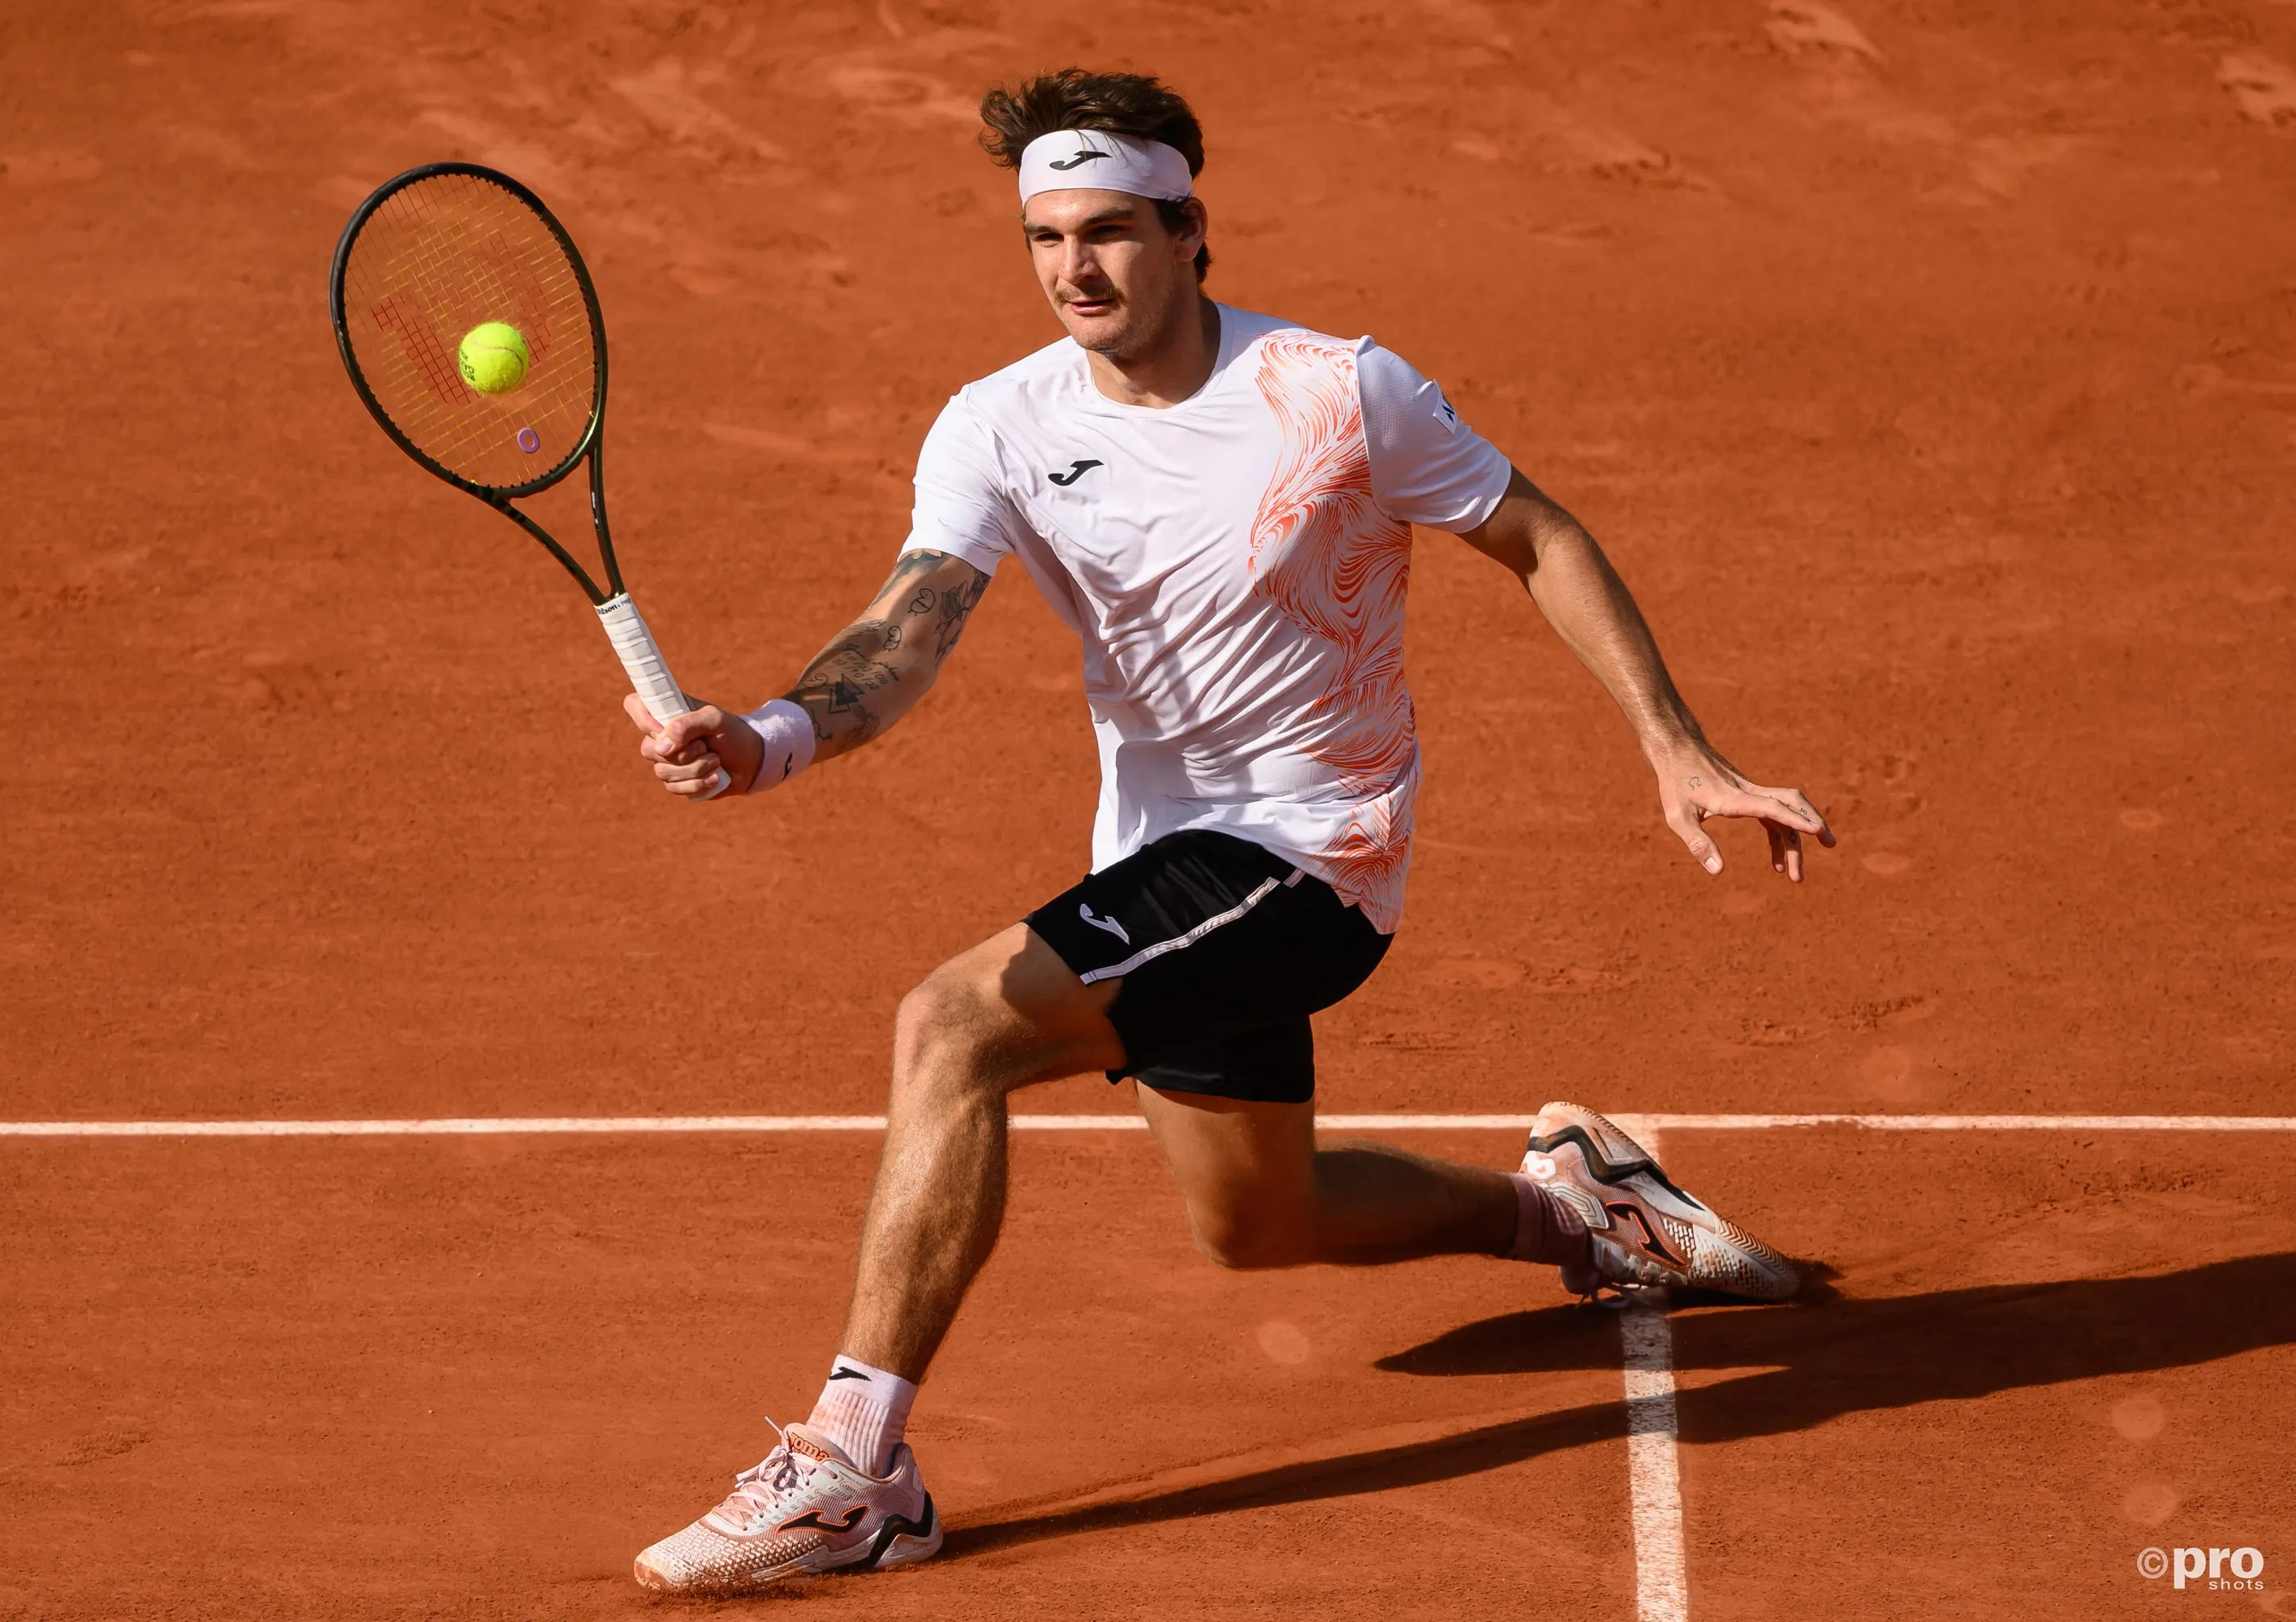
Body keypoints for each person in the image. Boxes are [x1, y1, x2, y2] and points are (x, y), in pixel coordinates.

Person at [624, 67, 1834, 1593]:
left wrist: (1676, 746)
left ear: (1191, 230)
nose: (1075, 268)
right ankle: (1587, 1213)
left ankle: (858, 1470)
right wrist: (773, 734)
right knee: (1263, 1216)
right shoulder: (999, 424)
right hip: (1160, 859)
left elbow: (1537, 533)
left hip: (1320, 848)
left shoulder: (1337, 393)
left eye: (1111, 232)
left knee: (951, 1027)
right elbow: (908, 625)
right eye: (1047, 236)